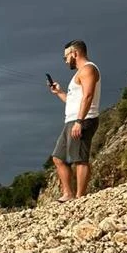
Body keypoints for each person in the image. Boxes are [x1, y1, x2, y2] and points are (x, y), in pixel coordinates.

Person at [49, 40, 101, 201]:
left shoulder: (88, 69)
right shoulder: (78, 74)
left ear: (75, 53)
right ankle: (68, 194)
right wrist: (59, 92)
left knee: (80, 159)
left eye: (66, 57)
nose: (65, 60)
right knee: (58, 157)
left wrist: (79, 121)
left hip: (83, 120)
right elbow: (74, 100)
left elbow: (88, 96)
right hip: (71, 121)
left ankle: (80, 197)